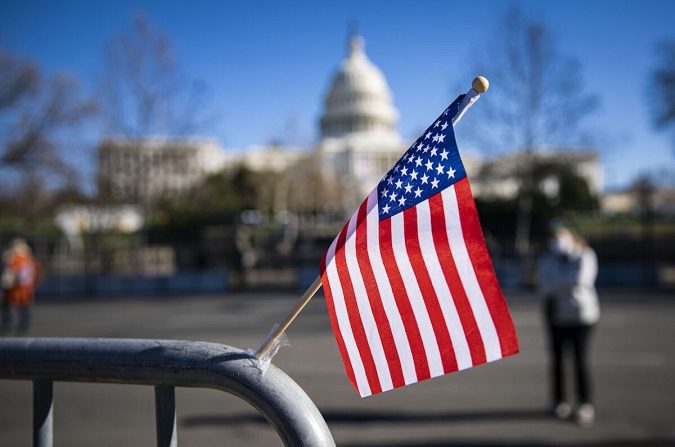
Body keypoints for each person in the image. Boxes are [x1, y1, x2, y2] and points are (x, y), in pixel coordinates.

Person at [538, 223, 600, 428]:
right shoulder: (548, 259)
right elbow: (544, 285)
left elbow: (581, 280)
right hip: (556, 315)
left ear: (571, 236)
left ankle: (585, 403)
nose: (556, 242)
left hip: (582, 316)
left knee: (579, 360)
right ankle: (559, 400)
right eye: (553, 238)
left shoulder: (586, 255)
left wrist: (556, 283)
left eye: (560, 237)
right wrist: (562, 283)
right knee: (556, 360)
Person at [1, 239, 42, 336]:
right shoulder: (30, 260)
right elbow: (37, 274)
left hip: (18, 288)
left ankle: (11, 323)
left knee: (18, 306)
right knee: (21, 307)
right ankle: (20, 324)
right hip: (24, 288)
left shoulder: (17, 260)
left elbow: (13, 273)